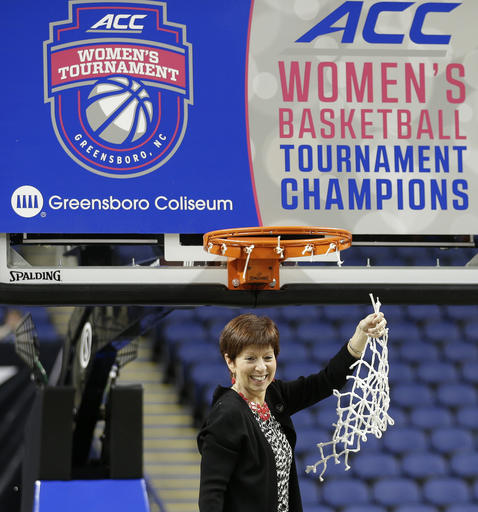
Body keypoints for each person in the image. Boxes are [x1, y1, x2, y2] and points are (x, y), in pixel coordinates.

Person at [197, 311, 387, 512]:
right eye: (251, 358)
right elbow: (211, 496)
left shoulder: (274, 395)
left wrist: (361, 334)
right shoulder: (227, 415)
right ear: (230, 362)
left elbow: (327, 380)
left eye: (268, 357)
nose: (261, 368)